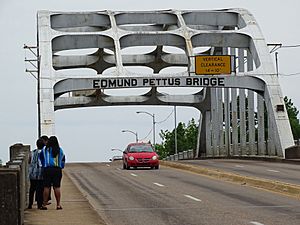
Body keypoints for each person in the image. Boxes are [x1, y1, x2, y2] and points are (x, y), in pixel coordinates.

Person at [39, 136, 66, 210]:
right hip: (57, 169)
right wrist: (61, 166)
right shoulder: (59, 150)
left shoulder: (45, 150)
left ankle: (44, 204)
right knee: (57, 187)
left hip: (47, 169)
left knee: (46, 187)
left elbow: (40, 157)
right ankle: (58, 204)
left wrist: (43, 165)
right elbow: (63, 159)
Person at [28, 138, 44, 209]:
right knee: (39, 190)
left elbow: (29, 161)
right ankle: (39, 204)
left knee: (32, 189)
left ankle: (30, 204)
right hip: (41, 173)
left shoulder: (32, 152)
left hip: (32, 173)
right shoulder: (44, 153)